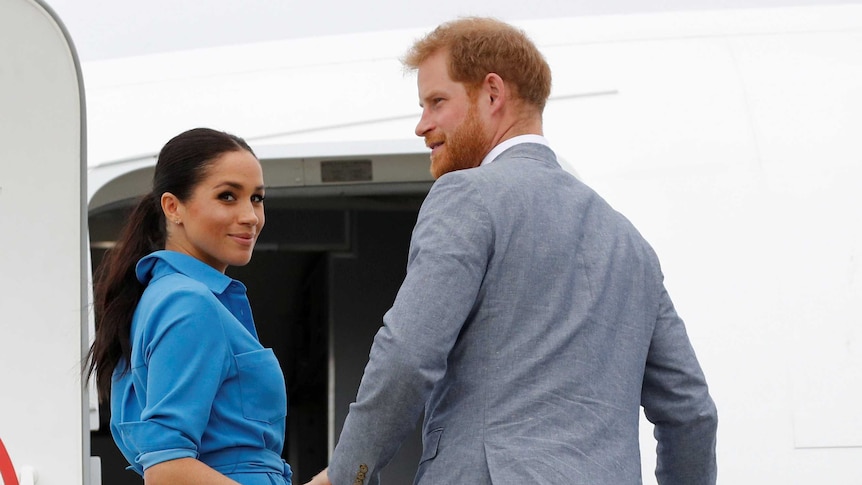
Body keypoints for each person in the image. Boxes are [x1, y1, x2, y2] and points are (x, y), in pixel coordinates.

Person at [306, 17, 717, 485]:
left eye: (437, 102)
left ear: (493, 93)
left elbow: (407, 356)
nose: (422, 126)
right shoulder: (629, 242)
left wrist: (347, 475)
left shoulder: (466, 196)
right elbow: (691, 412)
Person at [85, 127, 292, 485]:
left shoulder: (165, 296)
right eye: (228, 196)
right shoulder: (187, 303)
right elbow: (168, 469)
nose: (250, 216)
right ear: (172, 207)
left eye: (257, 198)